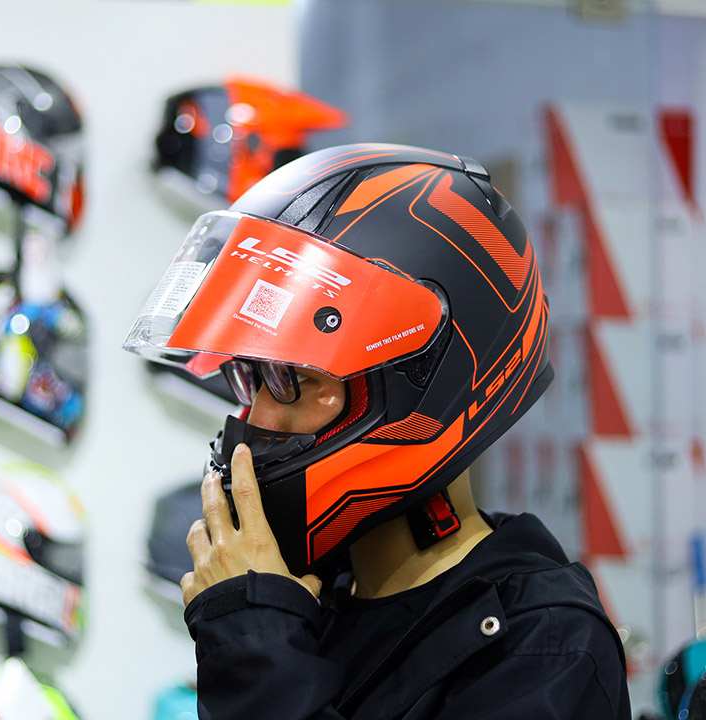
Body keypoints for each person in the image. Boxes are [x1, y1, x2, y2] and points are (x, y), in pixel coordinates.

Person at [124, 143, 631, 719]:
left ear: (424, 380)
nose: (257, 420)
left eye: (294, 379)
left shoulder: (546, 648)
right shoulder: (313, 597)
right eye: (252, 377)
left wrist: (253, 647)